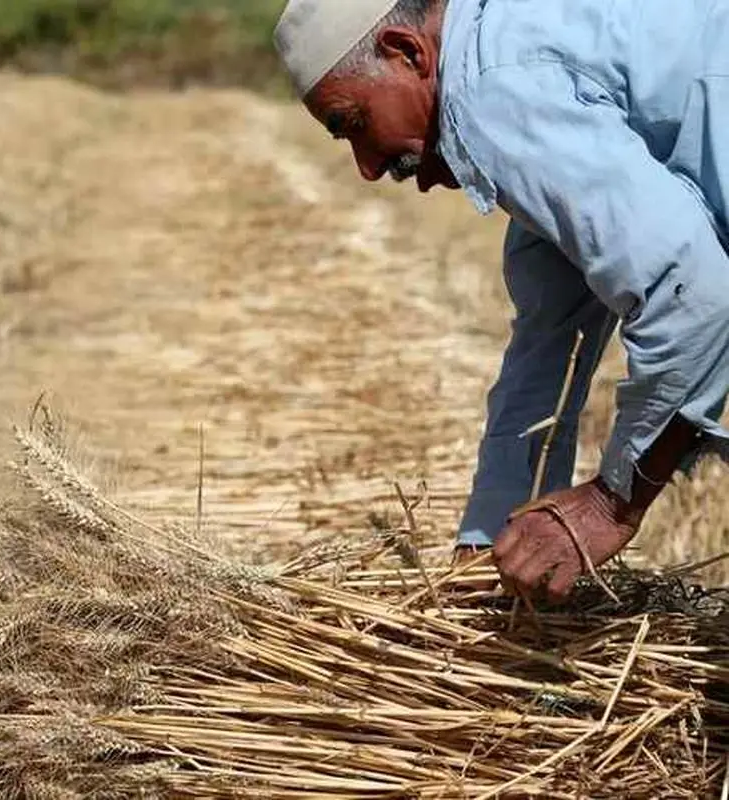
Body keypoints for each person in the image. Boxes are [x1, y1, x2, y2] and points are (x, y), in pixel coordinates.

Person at [273, 0, 729, 602]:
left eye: (353, 123)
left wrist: (610, 503)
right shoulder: (513, 52)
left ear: (406, 53)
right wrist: (489, 536)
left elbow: (693, 294)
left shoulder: (492, 94)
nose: (367, 166)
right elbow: (552, 337)